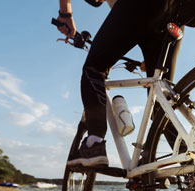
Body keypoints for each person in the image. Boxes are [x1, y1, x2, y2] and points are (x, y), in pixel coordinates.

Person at [56, 0, 181, 168]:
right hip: (178, 10)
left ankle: (93, 145)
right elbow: (135, 24)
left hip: (144, 7)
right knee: (161, 103)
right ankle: (194, 169)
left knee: (93, 68)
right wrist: (152, 60)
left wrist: (65, 14)